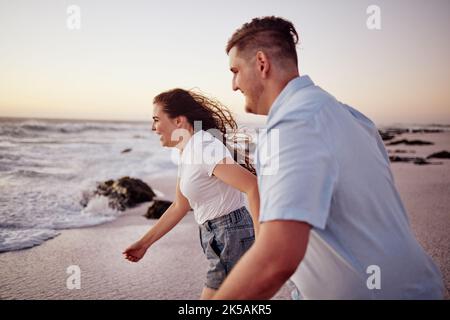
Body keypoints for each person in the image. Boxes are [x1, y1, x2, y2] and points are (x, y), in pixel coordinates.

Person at [212, 16, 445, 299]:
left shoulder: (294, 124)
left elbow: (276, 259)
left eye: (235, 71)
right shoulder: (351, 117)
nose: (234, 85)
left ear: (261, 63)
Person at [123, 88, 260, 299]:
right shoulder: (187, 151)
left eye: (157, 119)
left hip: (230, 234)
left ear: (178, 121)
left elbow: (252, 186)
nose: (153, 128)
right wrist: (143, 244)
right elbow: (180, 205)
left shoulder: (203, 146)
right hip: (219, 235)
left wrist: (264, 242)